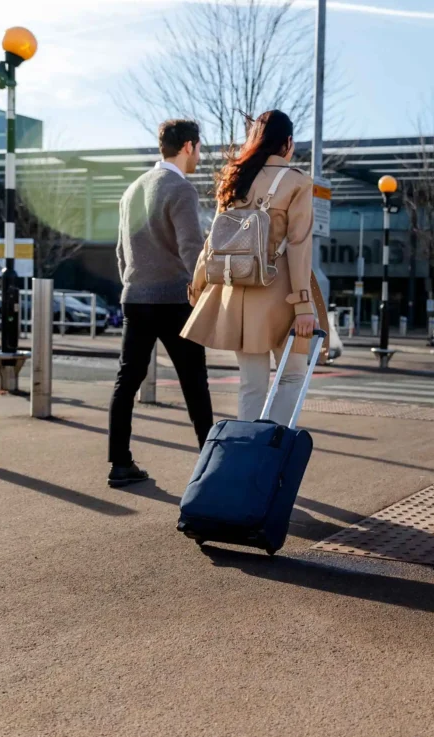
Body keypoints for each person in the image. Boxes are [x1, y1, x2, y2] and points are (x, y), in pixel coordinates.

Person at [183, 110, 326, 427]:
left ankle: (246, 458)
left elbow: (213, 243)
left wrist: (197, 288)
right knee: (292, 377)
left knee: (251, 386)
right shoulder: (297, 182)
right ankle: (270, 450)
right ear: (287, 142)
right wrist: (304, 305)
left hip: (236, 295)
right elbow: (299, 246)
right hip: (281, 294)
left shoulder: (234, 178)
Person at [106, 119, 215, 488]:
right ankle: (212, 468)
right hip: (175, 299)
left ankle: (120, 463)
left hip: (135, 298)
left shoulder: (131, 191)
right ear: (188, 146)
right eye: (199, 148)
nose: (200, 155)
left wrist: (134, 284)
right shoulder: (180, 189)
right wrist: (203, 289)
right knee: (194, 383)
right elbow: (191, 248)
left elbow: (121, 252)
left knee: (127, 379)